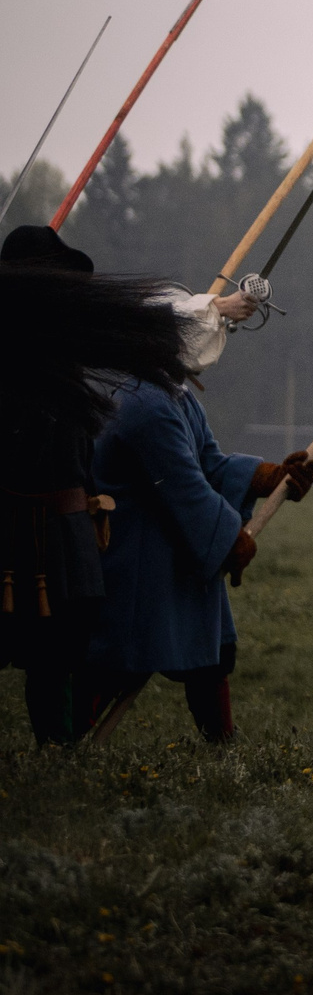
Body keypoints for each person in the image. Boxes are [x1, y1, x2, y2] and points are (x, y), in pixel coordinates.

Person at [78, 281, 311, 743]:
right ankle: (65, 743)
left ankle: (222, 742)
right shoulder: (144, 404)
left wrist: (269, 477)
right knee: (119, 659)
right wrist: (229, 540)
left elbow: (210, 464)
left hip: (172, 549)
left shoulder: (176, 396)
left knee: (209, 654)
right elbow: (184, 487)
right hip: (140, 555)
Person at [0, 225, 192, 742]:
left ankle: (57, 751)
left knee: (58, 653)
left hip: (62, 527)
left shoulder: (63, 350)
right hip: (21, 527)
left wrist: (215, 311)